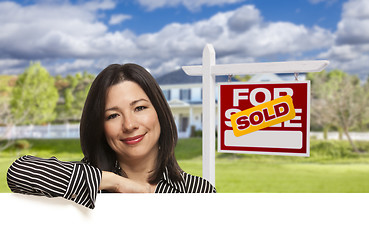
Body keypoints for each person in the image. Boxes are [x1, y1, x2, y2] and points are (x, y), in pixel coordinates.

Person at [7, 63, 216, 209]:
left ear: (160, 113)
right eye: (113, 115)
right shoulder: (86, 180)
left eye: (140, 108)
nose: (129, 125)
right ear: (100, 126)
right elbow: (19, 172)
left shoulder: (197, 191)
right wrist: (116, 183)